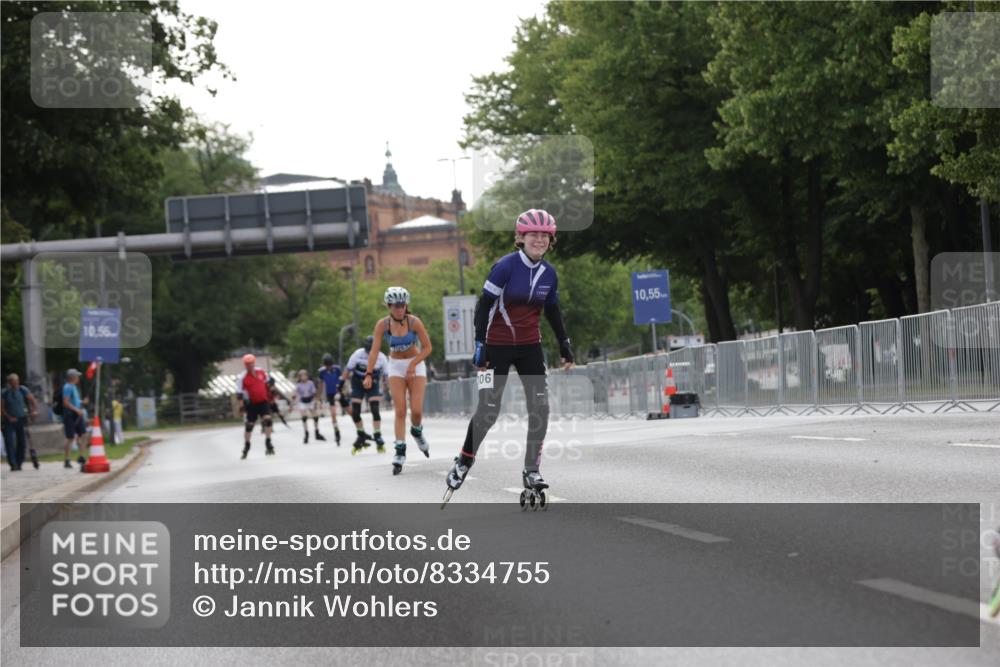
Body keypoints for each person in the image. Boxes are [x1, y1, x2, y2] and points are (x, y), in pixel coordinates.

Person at [445, 209, 573, 497]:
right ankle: (465, 459)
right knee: (488, 410)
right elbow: (483, 307)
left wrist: (565, 344)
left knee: (540, 408)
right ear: (521, 237)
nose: (538, 240)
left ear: (551, 240)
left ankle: (532, 469)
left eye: (544, 235)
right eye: (533, 235)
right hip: (495, 348)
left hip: (530, 347)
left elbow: (552, 310)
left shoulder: (549, 274)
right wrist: (480, 346)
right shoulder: (504, 266)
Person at [365, 286, 433, 475]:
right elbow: (374, 350)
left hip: (416, 363)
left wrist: (413, 365)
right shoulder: (382, 325)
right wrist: (368, 374)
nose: (399, 308)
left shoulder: (414, 322)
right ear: (388, 306)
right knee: (401, 409)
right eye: (395, 305)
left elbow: (427, 348)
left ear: (406, 305)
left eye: (402, 305)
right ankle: (400, 451)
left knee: (417, 411)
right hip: (395, 365)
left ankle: (417, 431)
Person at [344, 335, 388, 455]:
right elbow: (348, 369)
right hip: (357, 382)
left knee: (374, 409)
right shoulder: (358, 354)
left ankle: (377, 434)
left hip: (372, 383)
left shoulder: (382, 357)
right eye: (368, 350)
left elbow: (386, 375)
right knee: (356, 411)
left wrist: (387, 388)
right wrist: (342, 384)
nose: (370, 353)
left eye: (372, 350)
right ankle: (361, 433)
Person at [236, 353, 274, 459]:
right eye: (247, 364)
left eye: (251, 363)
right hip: (251, 403)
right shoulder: (242, 377)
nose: (250, 365)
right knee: (249, 425)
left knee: (268, 420)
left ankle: (268, 441)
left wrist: (272, 394)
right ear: (245, 364)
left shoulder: (260, 371)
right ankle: (247, 444)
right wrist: (241, 407)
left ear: (254, 362)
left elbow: (268, 383)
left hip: (263, 401)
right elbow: (239, 394)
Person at [2, 373, 38, 471]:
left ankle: (19, 462)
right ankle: (13, 463)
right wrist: (8, 417)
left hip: (21, 419)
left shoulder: (23, 390)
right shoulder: (5, 393)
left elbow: (33, 401)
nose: (15, 383)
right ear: (9, 383)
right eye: (13, 382)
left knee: (21, 442)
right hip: (9, 420)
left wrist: (34, 411)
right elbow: (2, 408)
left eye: (16, 381)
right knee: (9, 442)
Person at [60, 369, 90, 469]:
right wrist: (77, 410)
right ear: (72, 377)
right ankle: (67, 460)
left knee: (84, 434)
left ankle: (81, 456)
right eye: (77, 376)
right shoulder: (68, 387)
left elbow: (74, 401)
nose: (78, 378)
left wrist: (82, 402)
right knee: (70, 437)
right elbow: (65, 402)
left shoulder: (73, 387)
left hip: (77, 414)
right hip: (70, 414)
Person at [316, 353, 344, 445]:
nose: (328, 367)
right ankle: (337, 432)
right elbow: (320, 385)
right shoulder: (321, 371)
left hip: (338, 392)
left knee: (351, 411)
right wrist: (318, 397)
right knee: (333, 414)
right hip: (330, 394)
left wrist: (342, 391)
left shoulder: (337, 369)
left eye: (330, 365)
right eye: (327, 365)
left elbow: (342, 381)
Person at [294, 368, 325, 443]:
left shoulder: (310, 383)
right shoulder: (299, 385)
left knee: (315, 416)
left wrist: (316, 401)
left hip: (310, 400)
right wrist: (294, 399)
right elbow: (296, 393)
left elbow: (314, 392)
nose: (303, 377)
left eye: (304, 375)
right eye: (301, 376)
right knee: (304, 417)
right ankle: (306, 433)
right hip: (303, 401)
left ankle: (317, 432)